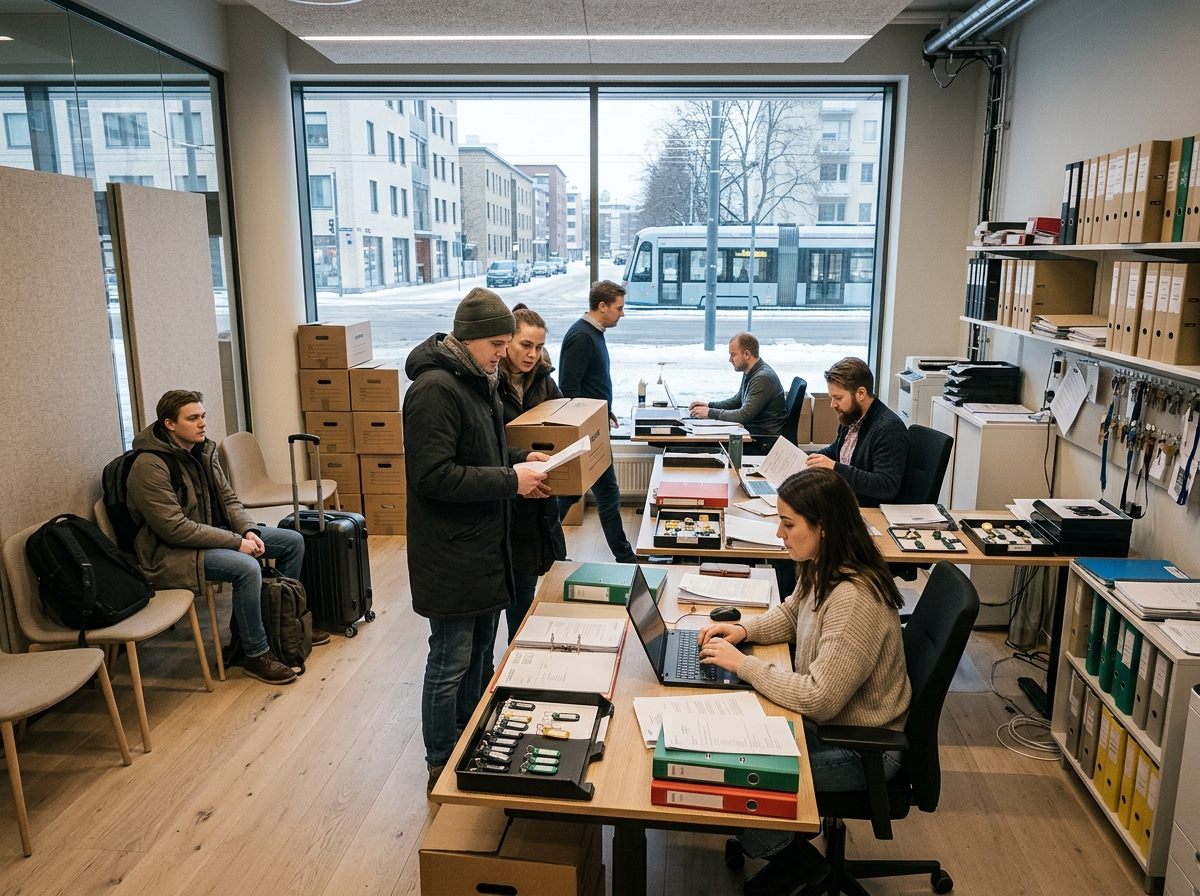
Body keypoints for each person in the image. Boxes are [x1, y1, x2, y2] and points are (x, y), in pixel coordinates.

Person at [698, 467, 911, 896]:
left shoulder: (854, 597)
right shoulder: (824, 563)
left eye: (788, 524)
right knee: (722, 734)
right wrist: (745, 631)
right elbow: (794, 613)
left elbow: (819, 699)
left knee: (723, 769)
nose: (779, 533)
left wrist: (744, 665)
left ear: (824, 527)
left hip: (858, 746)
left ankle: (798, 862)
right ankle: (784, 842)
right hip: (829, 725)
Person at [403, 287, 550, 793]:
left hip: (486, 545)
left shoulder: (478, 378)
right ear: (468, 339)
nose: (505, 353)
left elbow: (481, 448)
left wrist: (516, 459)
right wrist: (511, 482)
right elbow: (434, 475)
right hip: (452, 551)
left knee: (482, 654)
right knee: (450, 661)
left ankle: (472, 739)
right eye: (498, 343)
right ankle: (440, 760)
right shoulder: (434, 389)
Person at [126, 390, 312, 687]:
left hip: (211, 536)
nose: (202, 424)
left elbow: (229, 499)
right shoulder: (149, 466)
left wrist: (247, 530)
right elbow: (174, 529)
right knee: (245, 567)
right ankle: (255, 653)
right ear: (169, 424)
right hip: (169, 553)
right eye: (193, 418)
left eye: (203, 416)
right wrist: (236, 542)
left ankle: (281, 624)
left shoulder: (202, 451)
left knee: (292, 541)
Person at [498, 304, 568, 641]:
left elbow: (561, 428)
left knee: (546, 586)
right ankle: (516, 659)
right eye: (526, 345)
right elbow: (487, 445)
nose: (533, 354)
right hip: (507, 499)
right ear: (507, 340)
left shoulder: (543, 380)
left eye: (539, 347)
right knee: (519, 594)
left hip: (541, 500)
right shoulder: (489, 383)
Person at [556, 279, 636, 564]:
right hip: (585, 434)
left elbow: (590, 383)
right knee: (573, 496)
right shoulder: (581, 336)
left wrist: (606, 409)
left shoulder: (594, 333)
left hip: (595, 427)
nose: (622, 314)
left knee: (604, 495)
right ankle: (548, 547)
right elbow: (569, 389)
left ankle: (625, 558)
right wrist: (586, 426)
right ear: (602, 306)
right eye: (619, 308)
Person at [805, 356, 908, 507]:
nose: (832, 404)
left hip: (866, 510)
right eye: (831, 397)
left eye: (838, 398)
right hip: (845, 501)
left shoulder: (889, 428)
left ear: (860, 393)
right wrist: (799, 457)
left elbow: (886, 486)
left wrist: (835, 468)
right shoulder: (852, 416)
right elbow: (835, 451)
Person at [687, 332, 787, 438]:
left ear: (747, 354)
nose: (730, 360)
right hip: (751, 433)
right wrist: (709, 406)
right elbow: (737, 401)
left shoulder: (763, 378)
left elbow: (743, 415)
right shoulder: (751, 372)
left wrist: (710, 413)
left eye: (733, 355)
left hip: (761, 440)